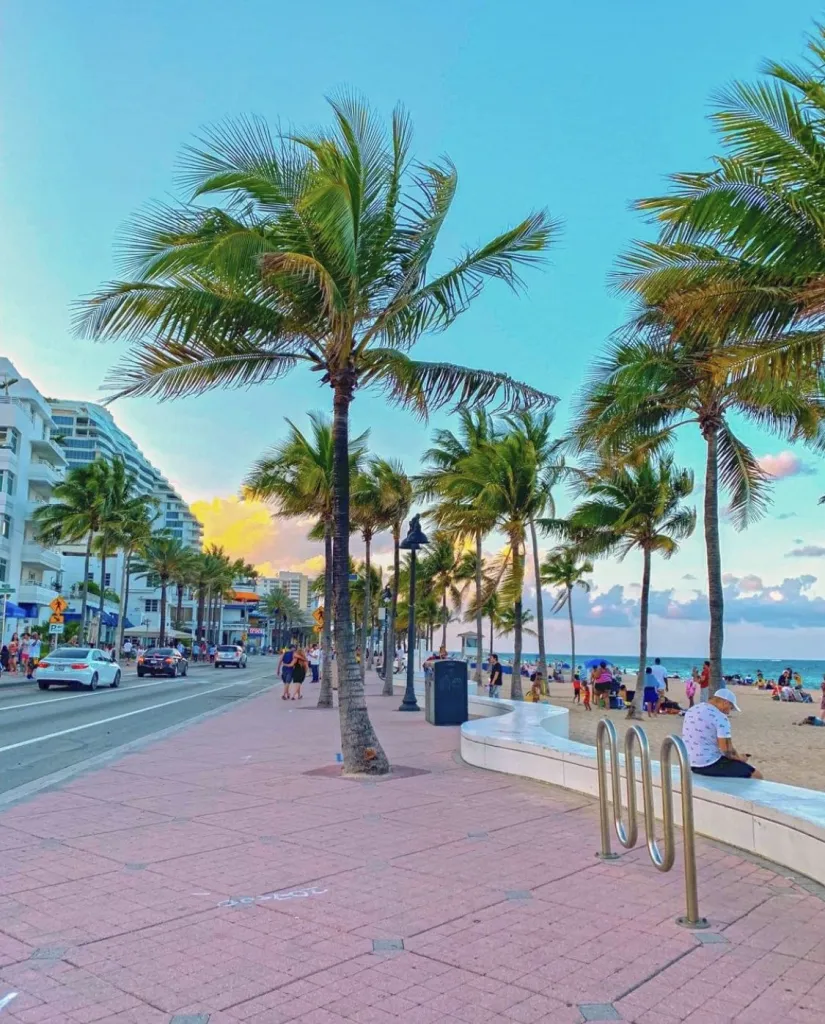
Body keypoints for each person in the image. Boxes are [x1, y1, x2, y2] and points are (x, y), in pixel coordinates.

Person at [682, 687, 762, 778]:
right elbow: (726, 750)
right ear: (725, 702)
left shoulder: (692, 709)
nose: (728, 712)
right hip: (708, 764)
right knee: (756, 775)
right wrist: (740, 758)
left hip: (689, 761)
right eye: (730, 707)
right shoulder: (720, 717)